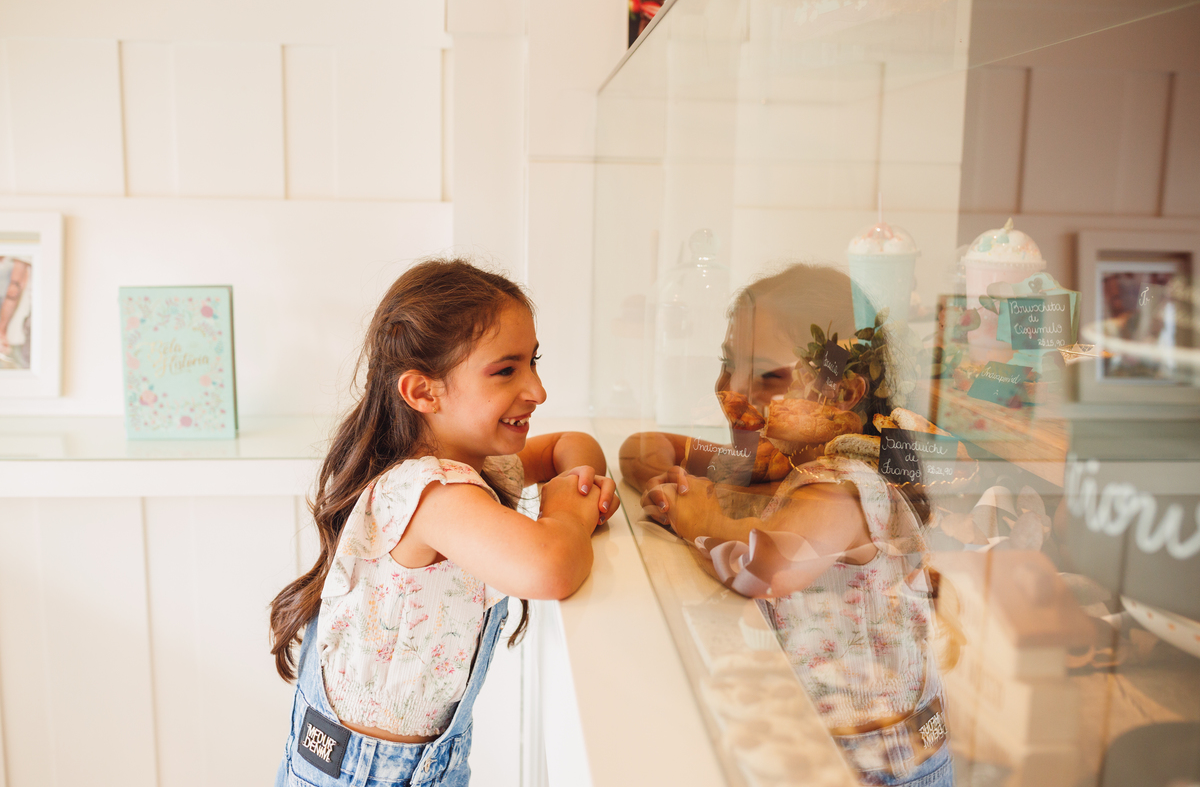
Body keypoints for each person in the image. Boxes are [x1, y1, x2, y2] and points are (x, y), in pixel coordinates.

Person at [270, 258, 618, 787]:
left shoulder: (466, 464)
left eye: (533, 362)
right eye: (507, 370)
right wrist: (568, 509)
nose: (538, 390)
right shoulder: (431, 494)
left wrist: (580, 479)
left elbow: (575, 446)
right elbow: (551, 567)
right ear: (423, 392)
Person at [620, 263, 954, 787]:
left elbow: (769, 565)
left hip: (880, 764)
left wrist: (690, 507)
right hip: (822, 746)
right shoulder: (780, 459)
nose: (729, 388)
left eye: (767, 376)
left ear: (843, 396)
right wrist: (689, 470)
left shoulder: (846, 483)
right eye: (729, 365)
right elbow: (645, 448)